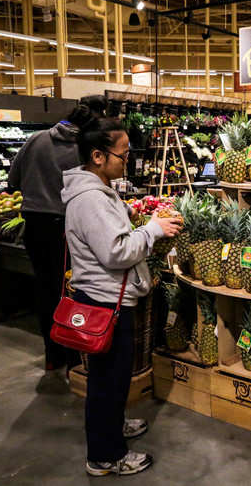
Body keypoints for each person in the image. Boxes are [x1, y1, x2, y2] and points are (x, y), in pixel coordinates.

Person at [61, 118, 182, 476]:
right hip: (103, 302)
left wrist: (136, 213)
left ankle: (113, 425)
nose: (127, 160)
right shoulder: (89, 200)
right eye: (123, 154)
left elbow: (112, 223)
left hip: (112, 298)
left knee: (113, 376)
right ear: (98, 156)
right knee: (106, 380)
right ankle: (104, 456)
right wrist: (151, 230)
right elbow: (116, 252)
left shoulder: (101, 190)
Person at [9, 95, 107, 374]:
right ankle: (76, 356)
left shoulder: (36, 139)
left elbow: (12, 180)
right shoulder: (85, 149)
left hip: (33, 223)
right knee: (71, 289)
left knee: (45, 288)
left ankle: (52, 355)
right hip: (66, 226)